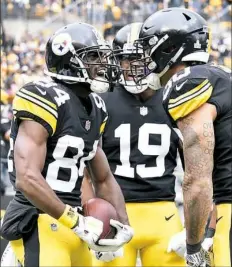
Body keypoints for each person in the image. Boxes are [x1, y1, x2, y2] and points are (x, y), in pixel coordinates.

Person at [0, 22, 133, 267]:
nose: (102, 64)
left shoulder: (96, 106)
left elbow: (102, 178)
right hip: (39, 218)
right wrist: (73, 220)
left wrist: (123, 225)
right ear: (69, 60)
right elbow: (26, 177)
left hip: (73, 224)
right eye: (93, 56)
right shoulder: (42, 96)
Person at [82, 22, 186, 267]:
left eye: (138, 58)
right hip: (113, 214)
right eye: (124, 59)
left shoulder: (176, 99)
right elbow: (83, 170)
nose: (129, 67)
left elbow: (196, 169)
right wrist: (91, 218)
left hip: (164, 213)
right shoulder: (100, 102)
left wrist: (194, 226)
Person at [138, 7, 231, 267]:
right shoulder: (222, 77)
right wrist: (209, 232)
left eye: (150, 49)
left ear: (169, 49)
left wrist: (193, 247)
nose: (146, 58)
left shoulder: (187, 83)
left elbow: (198, 181)